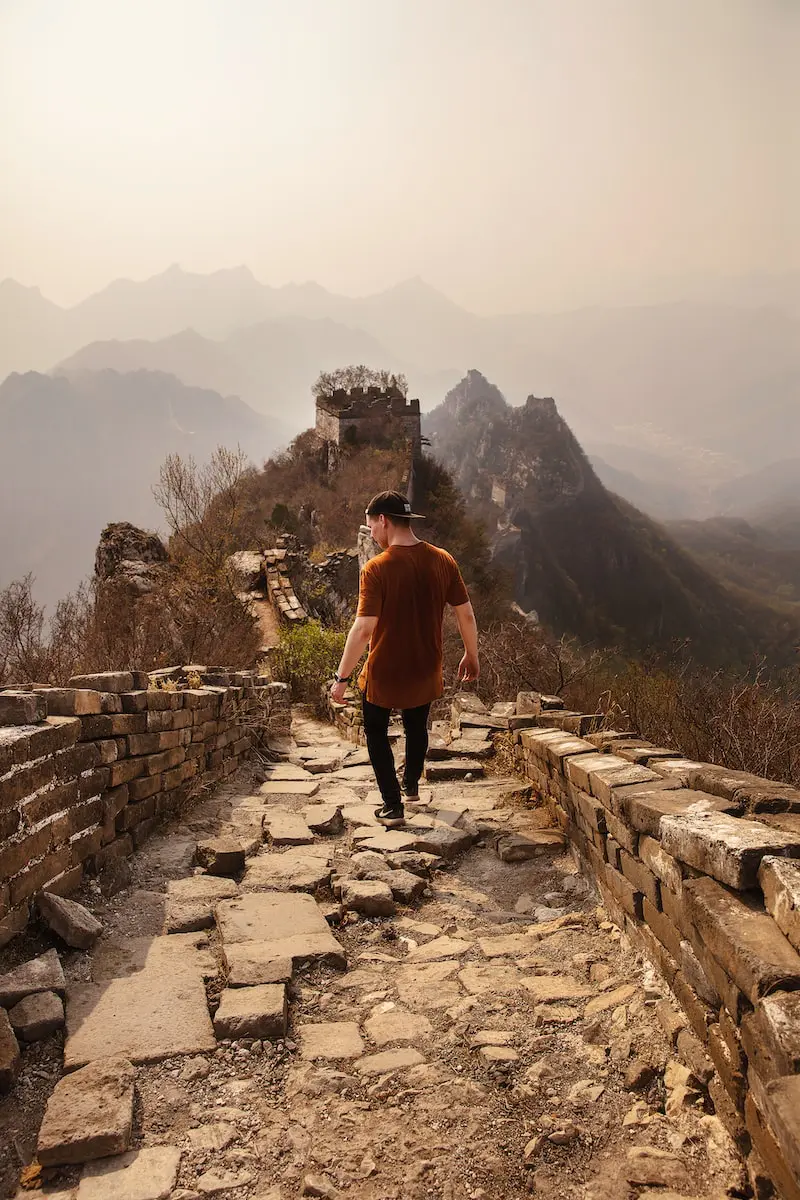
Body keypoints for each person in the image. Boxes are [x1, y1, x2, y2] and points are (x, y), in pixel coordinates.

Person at [329, 490, 480, 827]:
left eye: (371, 527)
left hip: (385, 671)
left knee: (376, 733)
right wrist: (472, 654)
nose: (371, 534)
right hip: (427, 665)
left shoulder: (377, 568)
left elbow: (364, 629)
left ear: (383, 520)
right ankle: (410, 787)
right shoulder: (443, 559)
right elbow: (465, 614)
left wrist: (341, 679)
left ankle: (392, 805)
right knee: (416, 726)